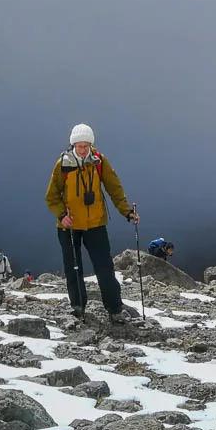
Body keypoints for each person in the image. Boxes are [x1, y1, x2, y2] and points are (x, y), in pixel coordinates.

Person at [44, 122, 138, 321]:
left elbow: (114, 188)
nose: (83, 149)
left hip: (95, 224)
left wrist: (127, 212)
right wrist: (62, 215)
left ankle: (114, 309)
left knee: (105, 268)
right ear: (73, 144)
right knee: (73, 268)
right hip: (69, 226)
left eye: (86, 145)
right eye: (79, 145)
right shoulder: (63, 164)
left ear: (91, 144)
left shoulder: (99, 161)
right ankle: (78, 307)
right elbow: (52, 196)